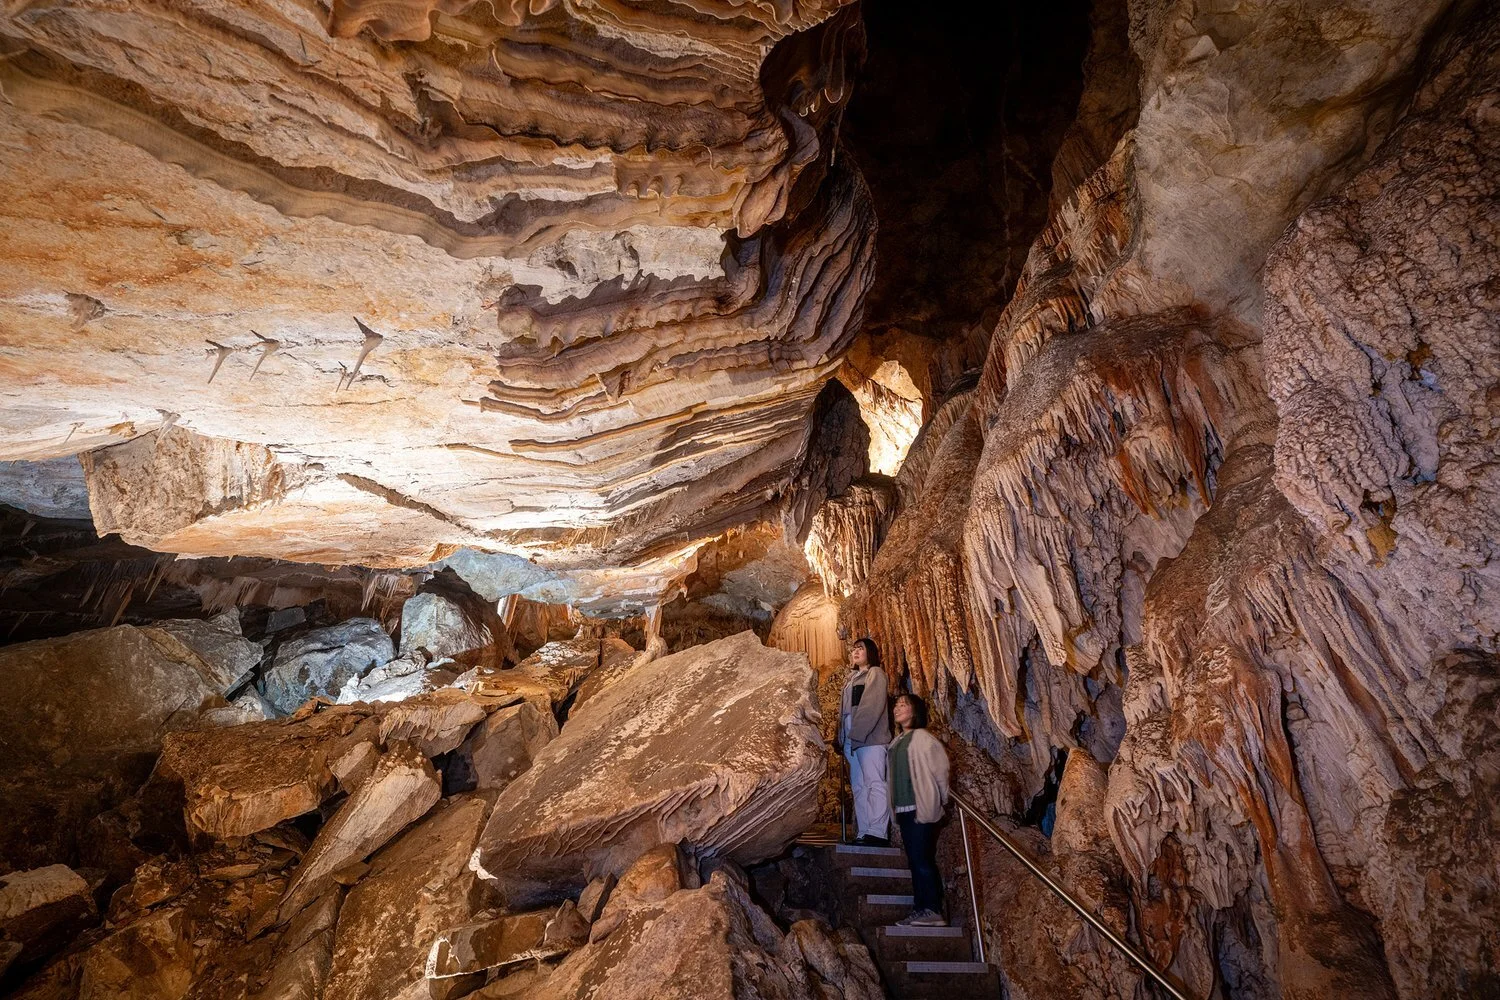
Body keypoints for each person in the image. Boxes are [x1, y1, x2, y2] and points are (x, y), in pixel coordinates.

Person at [889, 692, 950, 927]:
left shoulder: (924, 738)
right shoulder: (896, 742)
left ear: (915, 711)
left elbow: (941, 771)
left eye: (903, 705)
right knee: (915, 860)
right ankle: (921, 908)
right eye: (896, 705)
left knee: (922, 860)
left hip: (920, 807)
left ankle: (932, 909)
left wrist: (941, 799)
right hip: (904, 809)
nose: (897, 708)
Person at [838, 637, 893, 847]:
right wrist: (842, 738)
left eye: (860, 648)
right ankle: (863, 831)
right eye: (854, 649)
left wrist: (857, 735)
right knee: (859, 787)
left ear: (870, 652)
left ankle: (878, 831)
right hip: (852, 740)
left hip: (870, 739)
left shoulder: (875, 674)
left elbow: (872, 706)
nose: (856, 652)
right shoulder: (851, 678)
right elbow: (844, 713)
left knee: (875, 783)